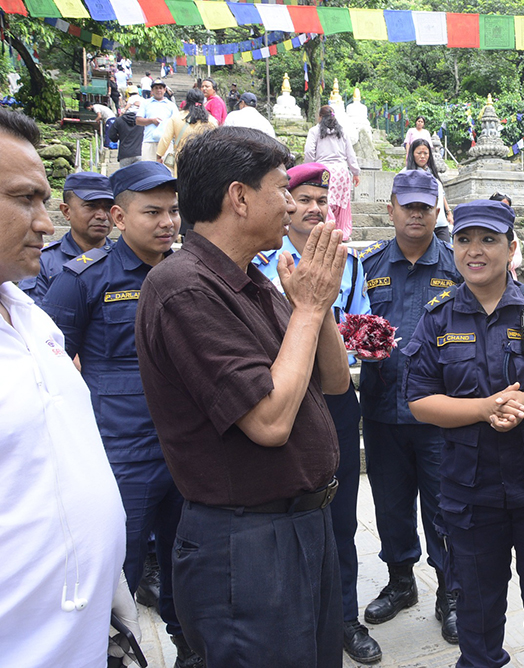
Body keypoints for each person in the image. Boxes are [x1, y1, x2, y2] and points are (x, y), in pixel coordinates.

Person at [134, 126, 351, 667]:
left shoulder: (252, 282)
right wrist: (307, 309)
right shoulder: (184, 287)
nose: (291, 206)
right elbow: (270, 423)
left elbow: (334, 381)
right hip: (248, 541)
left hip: (303, 525)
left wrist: (317, 306)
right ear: (239, 197)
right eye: (281, 190)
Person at [404, 200, 524, 667]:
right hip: (471, 495)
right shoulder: (437, 318)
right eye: (464, 240)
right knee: (476, 614)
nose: (475, 251)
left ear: (511, 248)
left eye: (489, 240)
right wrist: (483, 408)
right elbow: (419, 400)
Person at [40, 161, 199, 668]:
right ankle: (110, 655)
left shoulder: (191, 272)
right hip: (121, 456)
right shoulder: (83, 278)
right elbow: (47, 366)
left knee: (190, 563)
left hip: (188, 449)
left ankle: (190, 650)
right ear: (119, 217)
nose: (167, 222)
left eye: (173, 211)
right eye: (152, 212)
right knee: (117, 569)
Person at [0, 106, 133, 668]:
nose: (44, 223)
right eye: (23, 199)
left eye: (43, 200)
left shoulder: (31, 318)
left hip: (82, 634)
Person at [253, 162, 381, 664]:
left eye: (321, 201)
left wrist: (364, 341)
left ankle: (344, 617)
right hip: (279, 394)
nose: (313, 209)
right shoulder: (260, 263)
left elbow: (360, 321)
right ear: (286, 206)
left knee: (341, 515)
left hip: (334, 393)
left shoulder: (349, 262)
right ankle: (292, 618)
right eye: (303, 199)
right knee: (283, 514)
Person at [357, 170, 463, 643]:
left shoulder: (458, 265)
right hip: (383, 407)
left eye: (425, 206)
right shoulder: (368, 265)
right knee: (390, 503)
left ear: (437, 211)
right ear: (391, 209)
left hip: (441, 411)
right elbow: (351, 322)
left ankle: (451, 592)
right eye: (408, 205)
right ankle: (400, 581)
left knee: (445, 505)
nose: (416, 213)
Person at [19, 171, 114, 304]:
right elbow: (31, 313)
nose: (102, 216)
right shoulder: (43, 262)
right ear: (66, 211)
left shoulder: (125, 259)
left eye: (109, 207)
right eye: (91, 206)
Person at [305, 105, 361, 240]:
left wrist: (309, 168)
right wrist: (355, 172)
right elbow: (350, 154)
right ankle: (342, 233)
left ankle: (328, 230)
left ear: (320, 117)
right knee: (342, 204)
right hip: (342, 171)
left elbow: (309, 152)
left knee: (325, 201)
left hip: (324, 171)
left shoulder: (315, 131)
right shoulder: (342, 132)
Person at [156, 88, 218, 177]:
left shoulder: (177, 117)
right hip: (203, 159)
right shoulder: (211, 120)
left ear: (187, 101)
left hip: (181, 157)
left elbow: (165, 138)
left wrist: (159, 156)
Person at [405, 138, 452, 242]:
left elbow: (441, 194)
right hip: (422, 223)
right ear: (412, 154)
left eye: (425, 153)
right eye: (419, 153)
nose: (422, 156)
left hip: (441, 223)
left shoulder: (432, 172)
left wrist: (448, 212)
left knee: (447, 250)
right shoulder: (406, 174)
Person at [135, 79, 177, 162]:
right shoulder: (145, 103)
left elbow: (176, 122)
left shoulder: (171, 105)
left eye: (161, 88)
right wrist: (151, 121)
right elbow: (138, 121)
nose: (158, 90)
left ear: (164, 90)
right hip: (149, 141)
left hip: (166, 142)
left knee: (166, 167)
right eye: (156, 88)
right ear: (152, 91)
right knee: (148, 167)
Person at [489, 192, 522, 281]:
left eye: (507, 208)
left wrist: (509, 264)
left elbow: (517, 257)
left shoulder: (511, 232)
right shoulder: (481, 230)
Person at [108, 95, 144, 167]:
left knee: (125, 174)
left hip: (124, 154)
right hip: (140, 153)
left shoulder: (119, 120)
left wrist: (118, 137)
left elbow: (112, 136)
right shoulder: (143, 121)